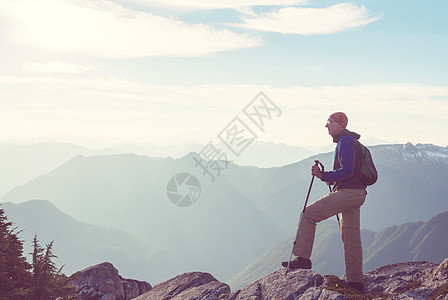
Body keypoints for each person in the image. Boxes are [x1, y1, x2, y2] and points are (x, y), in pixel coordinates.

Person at [282, 112, 367, 293]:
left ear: (341, 124)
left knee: (309, 214)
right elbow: (349, 172)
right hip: (358, 193)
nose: (326, 125)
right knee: (351, 236)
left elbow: (347, 170)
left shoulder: (344, 141)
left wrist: (323, 175)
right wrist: (331, 179)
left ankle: (303, 258)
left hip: (348, 193)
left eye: (330, 122)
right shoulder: (350, 141)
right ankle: (356, 282)